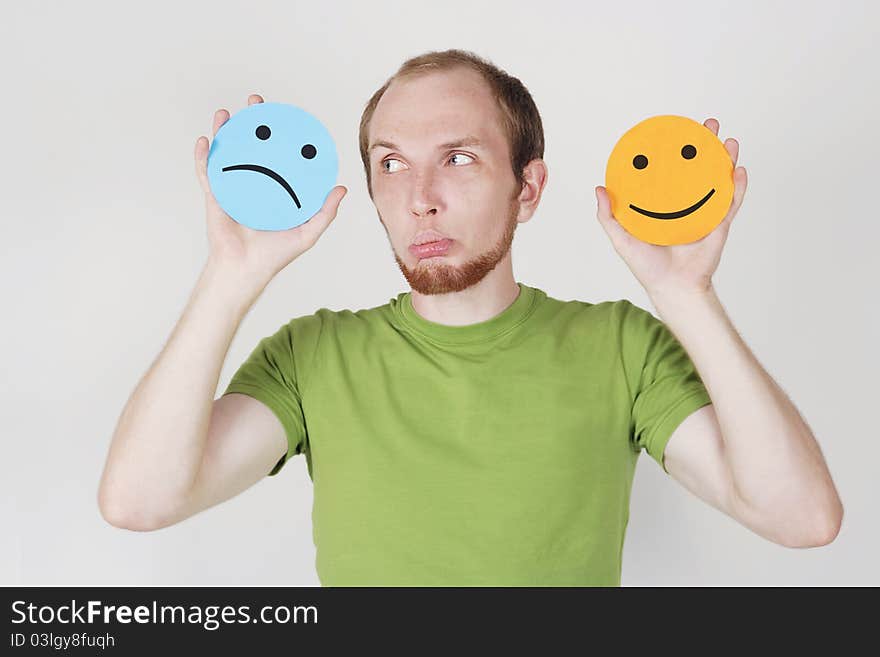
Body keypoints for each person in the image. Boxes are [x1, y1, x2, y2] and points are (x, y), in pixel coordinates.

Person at [98, 49, 843, 586]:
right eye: (391, 163)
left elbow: (802, 518)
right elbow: (138, 501)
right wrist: (229, 277)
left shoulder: (620, 346)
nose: (420, 195)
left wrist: (687, 296)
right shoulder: (314, 354)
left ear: (528, 187)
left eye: (458, 158)